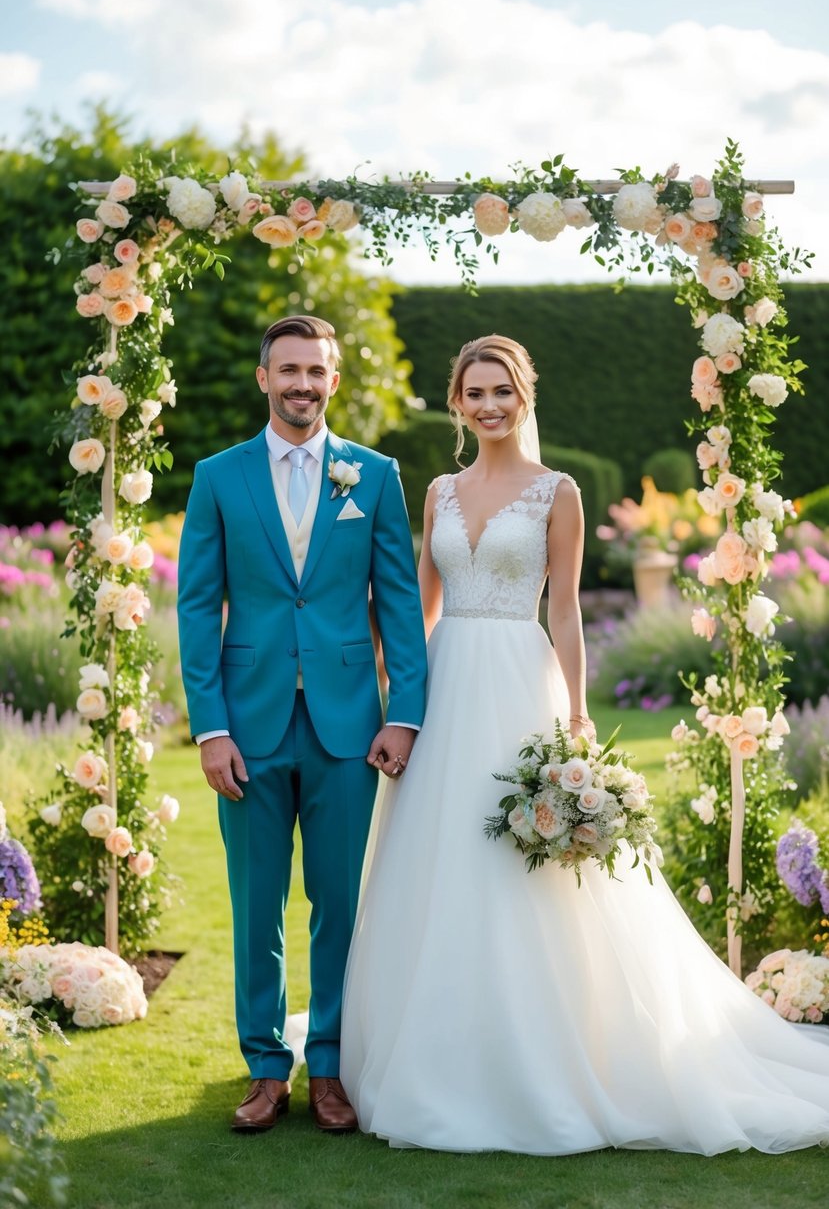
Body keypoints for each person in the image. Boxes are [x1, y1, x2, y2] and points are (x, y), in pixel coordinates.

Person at [340, 333, 829, 1155]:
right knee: (431, 862)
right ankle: (432, 1051)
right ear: (456, 403)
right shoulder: (438, 494)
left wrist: (575, 716)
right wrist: (391, 704)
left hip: (516, 683)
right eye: (474, 392)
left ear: (523, 397)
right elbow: (415, 614)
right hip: (444, 689)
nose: (488, 404)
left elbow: (562, 610)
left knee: (523, 869)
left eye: (502, 390)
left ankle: (547, 1055)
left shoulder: (555, 492)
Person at [177, 315, 428, 1134]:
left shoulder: (374, 475)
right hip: (246, 728)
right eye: (288, 370)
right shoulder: (219, 476)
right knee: (256, 906)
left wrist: (405, 714)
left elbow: (397, 602)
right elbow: (195, 606)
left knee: (339, 906)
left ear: (333, 380)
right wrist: (209, 727)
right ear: (263, 379)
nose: (302, 385)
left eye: (315, 372)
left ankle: (329, 1065)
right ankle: (262, 1067)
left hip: (349, 728)